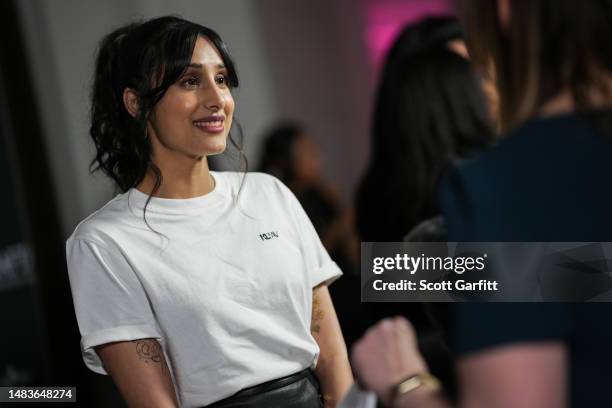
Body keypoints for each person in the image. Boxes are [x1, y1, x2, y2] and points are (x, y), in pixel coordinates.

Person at [65, 16, 352, 408]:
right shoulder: (103, 242)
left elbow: (333, 359)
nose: (217, 99)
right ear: (135, 103)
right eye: (189, 81)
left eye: (221, 79)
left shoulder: (269, 194)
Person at [351, 1, 612, 407]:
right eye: (478, 76)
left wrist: (404, 384)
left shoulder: (497, 188)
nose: (490, 88)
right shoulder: (492, 189)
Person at [258, 123, 365, 349]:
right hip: (320, 299)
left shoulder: (319, 192)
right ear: (285, 159)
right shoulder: (274, 203)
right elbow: (307, 262)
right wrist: (340, 224)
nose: (316, 157)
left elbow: (350, 246)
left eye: (315, 150)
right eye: (307, 152)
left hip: (347, 283)